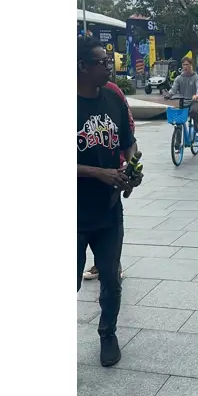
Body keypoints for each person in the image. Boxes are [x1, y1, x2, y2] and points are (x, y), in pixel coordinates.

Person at [77, 36, 139, 367]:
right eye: (102, 62)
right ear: (82, 67)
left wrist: (131, 166)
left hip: (109, 210)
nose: (109, 67)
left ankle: (108, 333)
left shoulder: (114, 98)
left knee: (111, 280)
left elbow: (128, 142)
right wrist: (98, 172)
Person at [81, 75, 134, 282]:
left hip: (111, 184)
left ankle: (110, 265)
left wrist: (127, 163)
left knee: (109, 235)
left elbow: (128, 130)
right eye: (102, 62)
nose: (108, 67)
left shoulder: (113, 93)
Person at [163, 56, 198, 132]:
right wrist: (168, 95)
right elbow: (173, 89)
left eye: (187, 64)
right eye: (184, 65)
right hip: (183, 101)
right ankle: (177, 142)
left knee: (193, 111)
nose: (185, 66)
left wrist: (197, 95)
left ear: (191, 65)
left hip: (195, 101)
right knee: (178, 122)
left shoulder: (196, 77)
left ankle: (197, 128)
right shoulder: (179, 78)